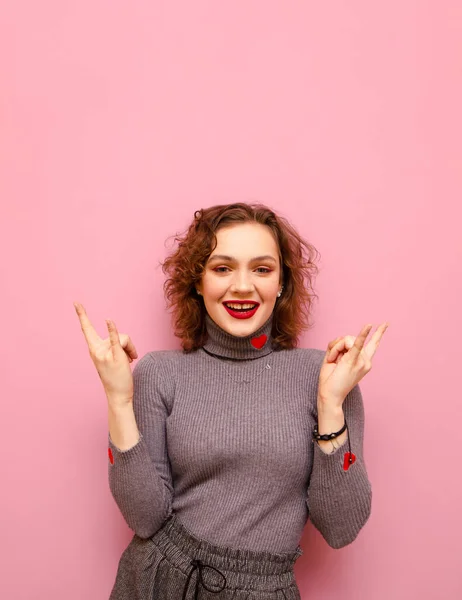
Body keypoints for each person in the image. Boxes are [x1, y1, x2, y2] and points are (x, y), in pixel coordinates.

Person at [74, 202, 388, 599]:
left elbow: (341, 527)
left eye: (262, 268)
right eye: (222, 268)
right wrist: (119, 399)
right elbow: (145, 517)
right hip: (162, 578)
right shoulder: (159, 373)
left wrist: (329, 405)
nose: (242, 286)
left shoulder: (327, 377)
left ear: (282, 284)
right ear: (198, 282)